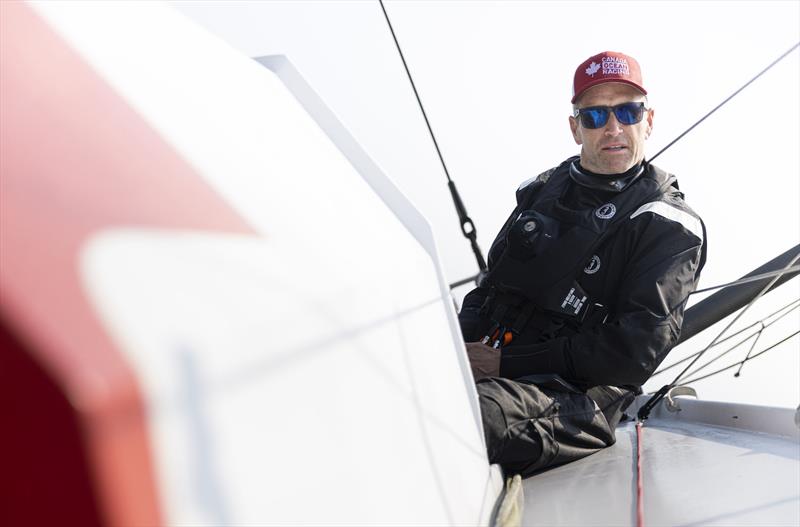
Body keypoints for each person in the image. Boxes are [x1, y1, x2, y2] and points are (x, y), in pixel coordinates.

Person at [458, 51, 706, 477]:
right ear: (575, 127)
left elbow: (632, 353)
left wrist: (502, 365)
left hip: (578, 398)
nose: (613, 128)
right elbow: (489, 290)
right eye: (595, 116)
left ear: (648, 121)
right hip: (497, 366)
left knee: (465, 415)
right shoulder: (541, 189)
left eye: (628, 112)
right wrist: (450, 350)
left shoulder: (669, 224)